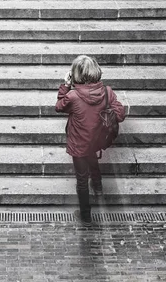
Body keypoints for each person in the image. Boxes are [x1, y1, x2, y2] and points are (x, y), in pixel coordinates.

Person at [55, 55, 126, 227]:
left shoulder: (72, 96)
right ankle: (98, 187)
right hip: (97, 139)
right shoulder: (107, 92)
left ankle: (86, 215)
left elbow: (58, 106)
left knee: (81, 180)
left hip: (79, 143)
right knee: (93, 160)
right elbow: (121, 113)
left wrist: (65, 85)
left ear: (75, 75)